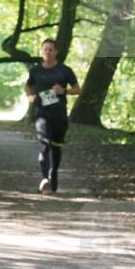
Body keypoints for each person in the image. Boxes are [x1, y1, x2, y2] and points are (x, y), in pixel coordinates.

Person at [25, 38, 81, 194]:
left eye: (50, 50)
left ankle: (53, 172)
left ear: (56, 52)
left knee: (56, 145)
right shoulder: (35, 70)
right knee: (44, 143)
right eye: (45, 49)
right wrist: (30, 97)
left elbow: (77, 89)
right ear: (41, 52)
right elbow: (28, 85)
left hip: (59, 114)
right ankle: (45, 180)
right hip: (41, 113)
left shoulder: (65, 70)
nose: (47, 52)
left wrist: (64, 91)